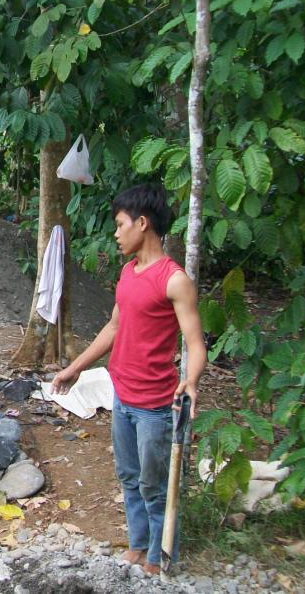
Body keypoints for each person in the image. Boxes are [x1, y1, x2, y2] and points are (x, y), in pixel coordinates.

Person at [50, 184, 205, 576]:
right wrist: (75, 367)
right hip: (123, 396)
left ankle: (159, 553)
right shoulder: (127, 272)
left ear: (142, 222)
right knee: (129, 477)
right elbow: (114, 327)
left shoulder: (174, 280)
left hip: (155, 405)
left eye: (120, 225)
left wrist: (191, 381)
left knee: (155, 485)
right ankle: (138, 545)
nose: (116, 234)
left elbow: (195, 342)